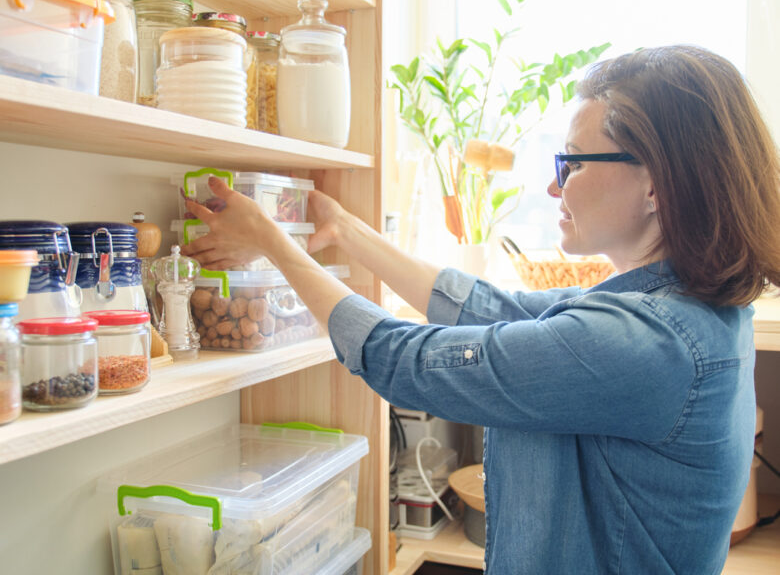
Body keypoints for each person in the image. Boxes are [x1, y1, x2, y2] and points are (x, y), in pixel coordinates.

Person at [182, 44, 780, 574]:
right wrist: (348, 233)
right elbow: (497, 310)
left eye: (571, 162)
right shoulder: (670, 309)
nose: (555, 186)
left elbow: (407, 361)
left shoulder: (647, 342)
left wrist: (272, 241)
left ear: (656, 185)